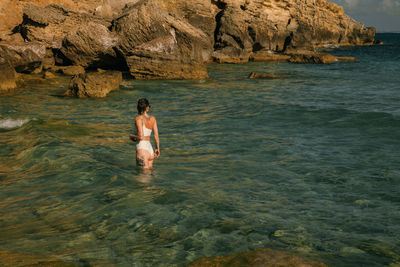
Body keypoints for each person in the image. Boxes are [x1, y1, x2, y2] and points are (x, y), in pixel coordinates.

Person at [130, 98, 160, 168]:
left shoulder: (138, 118)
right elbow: (156, 136)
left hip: (142, 149)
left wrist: (131, 136)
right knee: (149, 176)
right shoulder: (153, 119)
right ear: (147, 107)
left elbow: (141, 136)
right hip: (150, 150)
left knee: (142, 177)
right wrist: (157, 149)